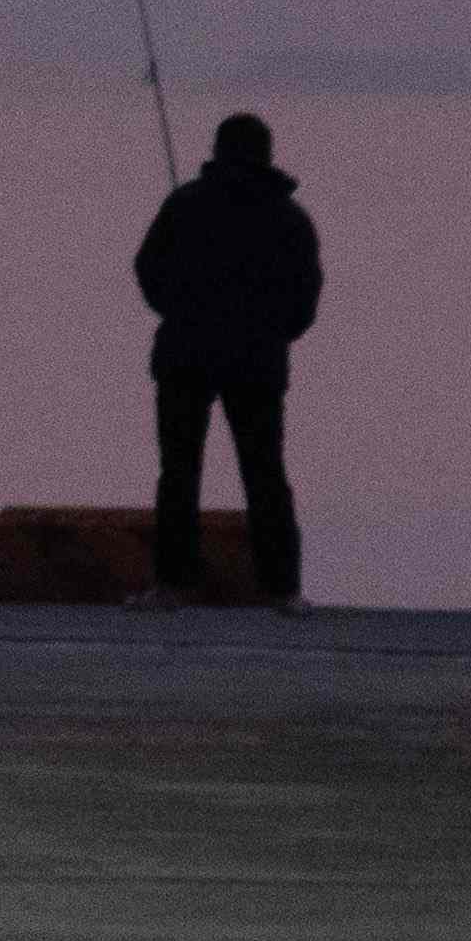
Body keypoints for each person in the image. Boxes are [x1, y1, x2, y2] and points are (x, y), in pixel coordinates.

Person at [132, 111, 320, 603]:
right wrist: (276, 332)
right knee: (264, 473)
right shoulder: (289, 217)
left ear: (217, 150)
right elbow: (305, 295)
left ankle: (172, 583)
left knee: (179, 471)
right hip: (257, 360)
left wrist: (176, 309)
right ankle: (282, 588)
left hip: (185, 354)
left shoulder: (185, 203)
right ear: (267, 153)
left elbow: (148, 268)